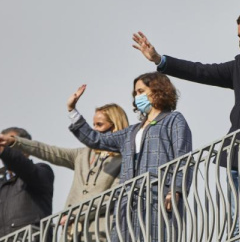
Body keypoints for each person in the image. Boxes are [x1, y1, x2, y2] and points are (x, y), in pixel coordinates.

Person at [132, 9, 240, 240]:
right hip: (239, 153)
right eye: (239, 36)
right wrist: (160, 60)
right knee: (239, 226)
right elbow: (201, 71)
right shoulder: (239, 65)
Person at [66, 72, 192, 242]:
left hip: (157, 197)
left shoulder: (173, 120)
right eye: (135, 93)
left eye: (141, 91)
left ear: (157, 90)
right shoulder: (131, 132)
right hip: (128, 203)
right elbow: (96, 139)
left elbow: (182, 157)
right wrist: (72, 111)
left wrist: (176, 189)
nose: (137, 96)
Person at [0, 104, 129, 241]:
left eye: (99, 125)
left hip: (100, 234)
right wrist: (15, 142)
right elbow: (48, 151)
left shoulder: (124, 159)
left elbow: (113, 196)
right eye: (93, 125)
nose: (93, 130)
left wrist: (76, 214)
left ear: (115, 127)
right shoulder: (82, 154)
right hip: (70, 235)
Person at [0, 115, 54, 242]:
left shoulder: (42, 171)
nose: (4, 149)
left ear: (26, 148)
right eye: (1, 144)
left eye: (8, 144)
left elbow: (23, 167)